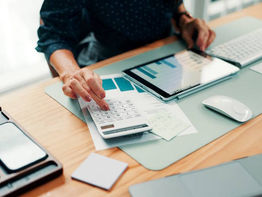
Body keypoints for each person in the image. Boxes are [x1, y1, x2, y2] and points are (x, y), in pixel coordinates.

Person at [36, 0, 215, 110]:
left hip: (167, 55)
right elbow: (53, 33)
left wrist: (183, 20)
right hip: (112, 63)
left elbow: (173, 3)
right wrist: (72, 73)